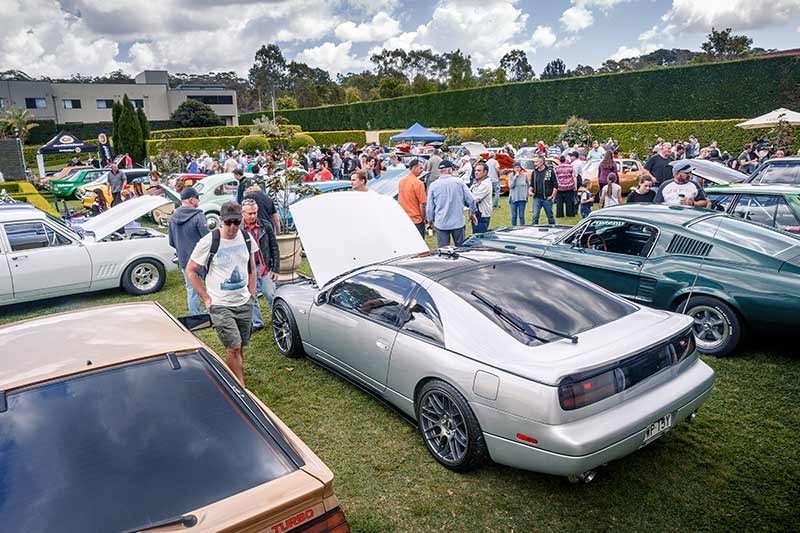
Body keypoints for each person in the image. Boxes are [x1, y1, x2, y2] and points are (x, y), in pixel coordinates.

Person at [187, 202, 257, 385]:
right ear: (220, 221)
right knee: (233, 346)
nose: (233, 227)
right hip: (220, 304)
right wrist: (206, 298)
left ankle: (237, 374)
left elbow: (251, 266)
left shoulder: (247, 237)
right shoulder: (208, 241)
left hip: (244, 302)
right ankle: (240, 387)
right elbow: (191, 270)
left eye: (236, 222)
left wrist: (252, 291)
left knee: (241, 345)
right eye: (228, 223)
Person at [168, 187, 210, 315]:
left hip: (185, 259)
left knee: (191, 288)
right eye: (198, 198)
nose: (199, 201)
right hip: (201, 259)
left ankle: (195, 315)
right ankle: (209, 311)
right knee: (210, 286)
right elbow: (207, 238)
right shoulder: (198, 216)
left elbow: (171, 241)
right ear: (191, 200)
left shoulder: (173, 218)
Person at [241, 198, 280, 332]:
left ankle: (278, 318)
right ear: (242, 213)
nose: (253, 216)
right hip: (247, 270)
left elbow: (274, 247)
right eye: (249, 213)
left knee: (271, 294)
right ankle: (257, 323)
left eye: (255, 213)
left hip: (265, 268)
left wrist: (275, 269)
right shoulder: (238, 230)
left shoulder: (266, 225)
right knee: (251, 297)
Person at [426, 160, 476, 247]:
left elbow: (430, 207)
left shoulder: (433, 185)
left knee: (443, 250)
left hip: (442, 223)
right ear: (450, 170)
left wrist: (430, 221)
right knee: (461, 249)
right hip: (458, 222)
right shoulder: (459, 182)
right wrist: (472, 212)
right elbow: (471, 199)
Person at [397, 159, 428, 237]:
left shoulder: (401, 181)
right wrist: (424, 218)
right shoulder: (419, 183)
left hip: (405, 218)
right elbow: (422, 204)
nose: (422, 170)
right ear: (414, 168)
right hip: (416, 220)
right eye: (420, 168)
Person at [529, 155, 557, 224]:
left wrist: (552, 196)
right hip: (537, 198)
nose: (535, 164)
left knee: (550, 216)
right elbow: (531, 185)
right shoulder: (534, 172)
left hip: (547, 198)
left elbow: (555, 185)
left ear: (542, 162)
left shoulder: (549, 171)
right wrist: (530, 190)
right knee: (535, 216)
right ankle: (534, 230)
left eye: (536, 162)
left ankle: (552, 229)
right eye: (534, 162)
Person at [469, 162, 493, 233]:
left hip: (482, 216)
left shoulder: (485, 184)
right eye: (475, 170)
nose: (476, 172)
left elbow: (473, 199)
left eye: (479, 171)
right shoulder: (477, 183)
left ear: (485, 172)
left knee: (479, 238)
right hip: (477, 214)